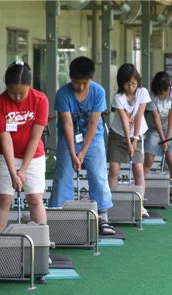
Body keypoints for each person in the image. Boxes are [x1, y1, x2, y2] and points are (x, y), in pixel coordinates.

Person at [48, 56, 115, 234]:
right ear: (71, 78)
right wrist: (72, 153)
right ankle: (60, 215)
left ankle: (102, 216)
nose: (81, 87)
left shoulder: (98, 92)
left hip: (94, 138)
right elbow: (67, 124)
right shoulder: (62, 94)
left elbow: (94, 123)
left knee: (98, 175)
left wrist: (83, 152)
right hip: (68, 138)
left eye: (85, 83)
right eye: (77, 82)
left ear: (90, 79)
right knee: (63, 175)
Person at [0, 61, 48, 233]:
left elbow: (34, 137)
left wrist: (22, 171)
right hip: (5, 156)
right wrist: (12, 171)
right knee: (4, 200)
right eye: (12, 92)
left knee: (35, 199)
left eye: (21, 93)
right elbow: (5, 139)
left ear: (29, 86)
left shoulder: (40, 100)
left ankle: (41, 246)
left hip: (33, 156)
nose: (16, 97)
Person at [107, 63, 151, 216]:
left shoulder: (142, 92)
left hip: (138, 134)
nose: (131, 86)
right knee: (114, 169)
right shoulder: (118, 97)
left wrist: (134, 139)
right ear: (121, 83)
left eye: (133, 83)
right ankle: (108, 205)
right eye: (127, 83)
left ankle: (140, 205)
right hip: (118, 134)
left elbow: (139, 116)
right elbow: (124, 121)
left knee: (138, 168)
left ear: (138, 81)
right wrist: (128, 139)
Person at [143, 71, 172, 202]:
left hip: (169, 128)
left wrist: (167, 138)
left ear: (169, 88)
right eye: (159, 92)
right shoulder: (151, 96)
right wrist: (162, 138)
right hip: (154, 128)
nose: (162, 95)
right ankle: (140, 190)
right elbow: (156, 119)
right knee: (148, 160)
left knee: (171, 160)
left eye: (164, 92)